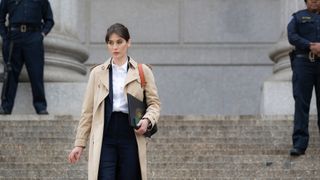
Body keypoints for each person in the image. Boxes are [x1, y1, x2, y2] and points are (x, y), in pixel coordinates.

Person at [68, 23, 161, 180]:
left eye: (119, 42)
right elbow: (88, 111)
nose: (115, 47)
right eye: (111, 43)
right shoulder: (97, 73)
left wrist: (147, 120)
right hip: (105, 135)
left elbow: (154, 104)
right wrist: (79, 143)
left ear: (128, 42)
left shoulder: (142, 71)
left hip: (131, 134)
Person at [0, 0, 54, 115]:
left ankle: (41, 107)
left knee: (36, 73)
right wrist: (5, 37)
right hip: (13, 38)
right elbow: (1, 18)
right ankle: (6, 107)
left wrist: (42, 34)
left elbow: (49, 20)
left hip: (33, 38)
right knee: (10, 74)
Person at [287, 0, 320, 156]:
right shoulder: (297, 17)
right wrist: (310, 45)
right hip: (303, 62)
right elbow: (292, 35)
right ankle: (299, 144)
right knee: (301, 103)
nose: (314, 0)